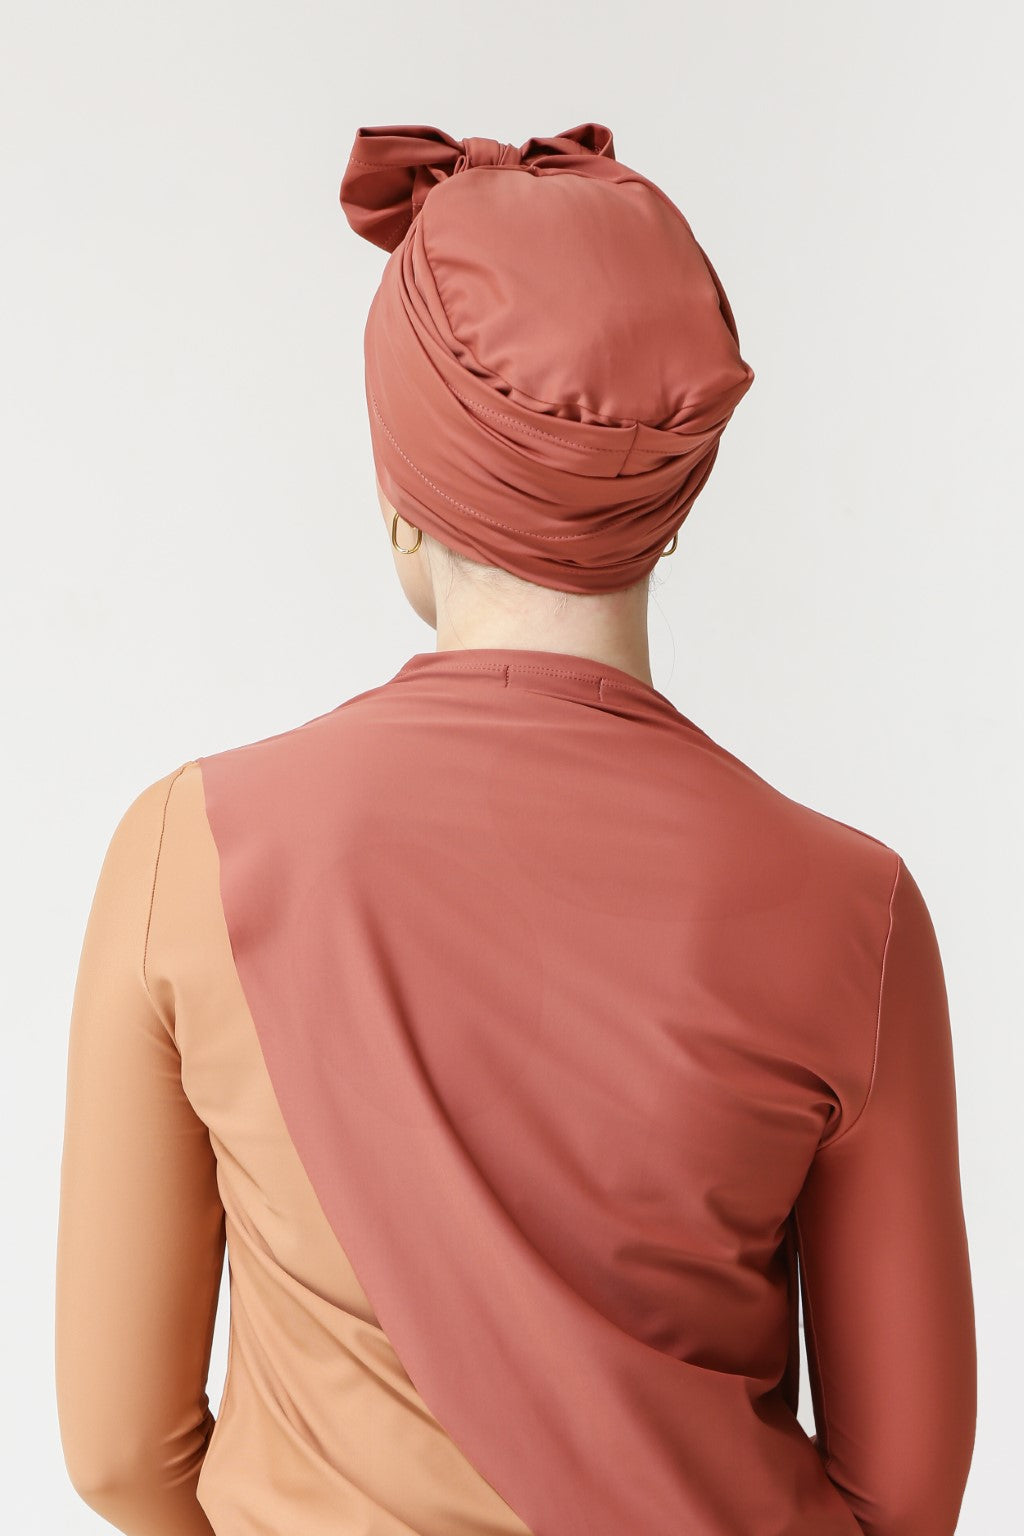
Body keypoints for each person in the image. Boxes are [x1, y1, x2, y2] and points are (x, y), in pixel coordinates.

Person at [55, 122, 977, 1536]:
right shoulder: (859, 913)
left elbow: (122, 1457)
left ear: (400, 507)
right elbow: (903, 1497)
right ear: (670, 510)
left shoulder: (189, 852)